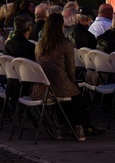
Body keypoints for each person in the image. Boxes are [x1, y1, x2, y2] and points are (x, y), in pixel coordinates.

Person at [35, 12, 89, 141]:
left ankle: (62, 126)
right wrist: (72, 82)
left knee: (67, 94)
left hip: (41, 86)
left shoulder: (39, 44)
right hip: (57, 84)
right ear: (61, 26)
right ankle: (78, 127)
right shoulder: (65, 44)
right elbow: (70, 69)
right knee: (75, 95)